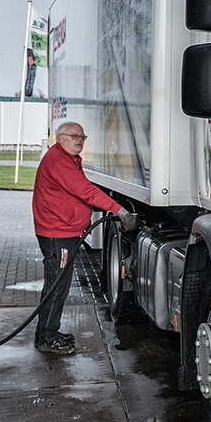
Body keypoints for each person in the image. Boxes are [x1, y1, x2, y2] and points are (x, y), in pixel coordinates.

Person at [31, 122, 130, 355]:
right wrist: (119, 209)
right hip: (57, 234)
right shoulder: (59, 161)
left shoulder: (67, 159)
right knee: (56, 287)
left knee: (58, 285)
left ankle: (48, 332)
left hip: (61, 232)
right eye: (74, 136)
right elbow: (85, 191)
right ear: (60, 138)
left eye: (82, 137)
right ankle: (46, 338)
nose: (79, 140)